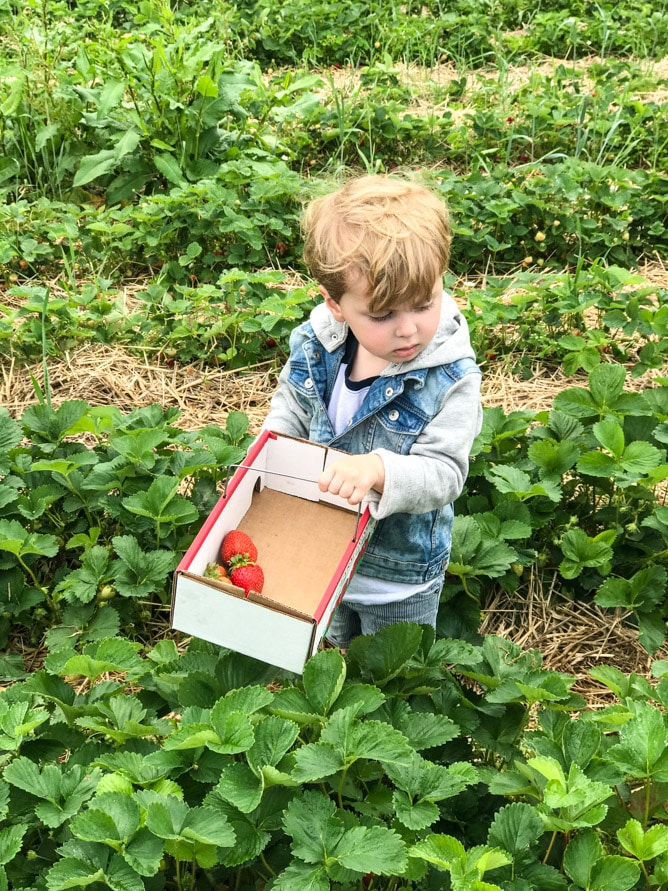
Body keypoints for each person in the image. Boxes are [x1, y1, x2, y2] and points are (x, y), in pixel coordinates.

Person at [263, 174, 482, 650]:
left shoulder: (450, 377)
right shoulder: (316, 346)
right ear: (335, 304)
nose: (408, 330)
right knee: (335, 663)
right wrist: (267, 462)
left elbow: (445, 473)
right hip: (318, 561)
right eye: (382, 316)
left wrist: (379, 469)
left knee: (394, 683)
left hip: (397, 578)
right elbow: (290, 412)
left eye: (424, 304)